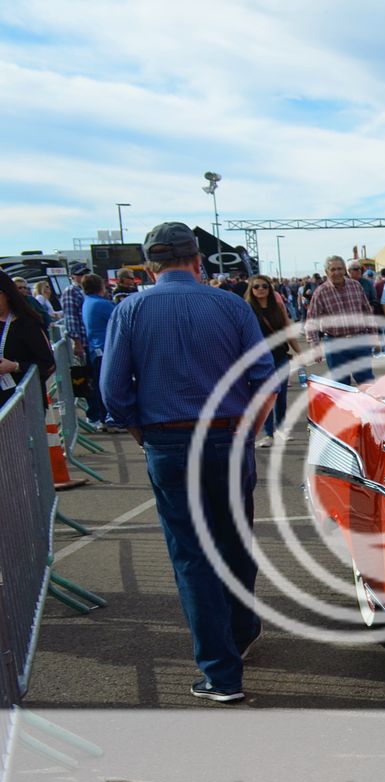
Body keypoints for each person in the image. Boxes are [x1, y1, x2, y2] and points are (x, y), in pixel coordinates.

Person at [99, 222, 273, 703]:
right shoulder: (231, 304)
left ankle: (222, 672)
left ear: (150, 264)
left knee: (193, 556)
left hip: (170, 442)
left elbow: (114, 391)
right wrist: (250, 431)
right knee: (235, 541)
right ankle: (239, 634)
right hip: (228, 437)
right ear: (197, 260)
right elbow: (265, 377)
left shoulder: (129, 309)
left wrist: (141, 432)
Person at [304, 255, 376, 386]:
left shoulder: (356, 286)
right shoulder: (320, 292)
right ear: (326, 272)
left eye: (339, 269)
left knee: (367, 383)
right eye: (332, 269)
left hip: (359, 340)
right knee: (341, 387)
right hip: (335, 343)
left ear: (345, 270)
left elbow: (367, 312)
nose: (336, 272)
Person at [246, 274, 295, 446]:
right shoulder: (247, 309)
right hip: (260, 359)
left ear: (270, 289)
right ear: (251, 290)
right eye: (256, 287)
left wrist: (299, 351)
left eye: (264, 286)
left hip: (280, 356)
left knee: (281, 396)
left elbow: (288, 332)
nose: (261, 289)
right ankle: (269, 434)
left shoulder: (278, 308)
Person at [0, 268, 54, 407]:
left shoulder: (27, 324)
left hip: (23, 405)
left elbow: (48, 364)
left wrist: (15, 366)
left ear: (6, 294)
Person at [80, 274, 115, 427]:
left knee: (101, 386)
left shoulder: (88, 302)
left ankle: (105, 417)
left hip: (96, 350)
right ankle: (109, 418)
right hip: (105, 350)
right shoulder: (103, 304)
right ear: (101, 286)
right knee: (108, 386)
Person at [60, 262, 89, 365]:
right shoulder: (71, 291)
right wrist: (77, 343)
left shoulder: (85, 290)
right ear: (72, 277)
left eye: (86, 273)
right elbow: (70, 317)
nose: (84, 276)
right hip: (83, 341)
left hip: (90, 339)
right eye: (80, 274)